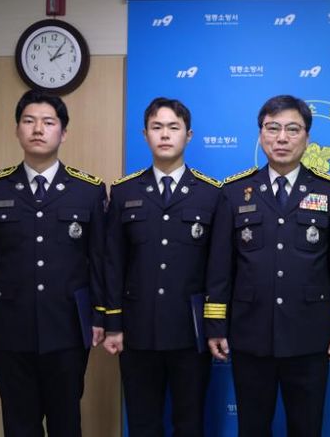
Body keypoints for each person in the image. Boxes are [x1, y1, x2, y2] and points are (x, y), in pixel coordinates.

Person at [204, 94, 330, 436]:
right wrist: (215, 324)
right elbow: (220, 268)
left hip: (309, 335)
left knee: (307, 427)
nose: (282, 138)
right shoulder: (235, 192)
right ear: (261, 135)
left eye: (292, 129)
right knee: (252, 427)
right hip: (250, 334)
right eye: (273, 128)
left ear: (307, 137)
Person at [0, 89, 107, 436]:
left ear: (63, 132)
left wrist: (100, 316)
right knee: (19, 424)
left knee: (66, 422)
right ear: (17, 130)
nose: (38, 129)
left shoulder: (88, 191)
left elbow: (100, 260)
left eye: (48, 122)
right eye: (29, 121)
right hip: (9, 327)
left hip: (68, 327)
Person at [102, 97, 221, 436]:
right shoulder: (124, 192)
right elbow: (113, 263)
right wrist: (113, 324)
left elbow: (218, 270)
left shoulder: (211, 194)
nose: (165, 135)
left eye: (173, 127)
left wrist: (215, 326)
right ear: (145, 134)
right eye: (157, 127)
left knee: (190, 422)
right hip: (137, 331)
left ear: (188, 135)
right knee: (142, 423)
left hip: (191, 332)